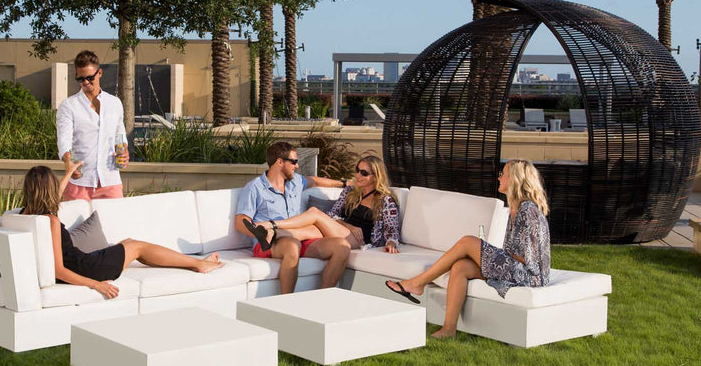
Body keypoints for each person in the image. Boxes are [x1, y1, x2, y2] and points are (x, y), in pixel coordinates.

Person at [385, 159, 551, 338]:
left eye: (503, 174)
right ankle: (449, 329)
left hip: (530, 276)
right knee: (461, 267)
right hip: (516, 268)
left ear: (515, 179)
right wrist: (489, 257)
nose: (499, 178)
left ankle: (417, 283)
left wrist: (488, 256)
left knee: (468, 242)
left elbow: (528, 259)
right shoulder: (515, 209)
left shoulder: (528, 210)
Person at [22, 164, 223, 300]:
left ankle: (195, 263)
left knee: (127, 243)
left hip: (82, 263)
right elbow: (59, 269)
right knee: (137, 246)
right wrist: (96, 285)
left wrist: (69, 173)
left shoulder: (25, 215)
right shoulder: (51, 221)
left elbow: (54, 196)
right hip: (86, 269)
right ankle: (198, 264)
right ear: (48, 188)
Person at [234, 141, 352, 294]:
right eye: (294, 162)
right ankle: (287, 301)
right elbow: (240, 222)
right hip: (270, 244)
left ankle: (323, 297)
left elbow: (315, 181)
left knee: (342, 246)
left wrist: (344, 183)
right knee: (292, 245)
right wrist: (258, 232)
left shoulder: (295, 181)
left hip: (299, 237)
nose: (297, 166)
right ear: (279, 162)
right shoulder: (255, 187)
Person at [245, 155, 401, 253]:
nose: (358, 175)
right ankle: (270, 234)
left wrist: (392, 243)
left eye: (364, 173)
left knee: (314, 212)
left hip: (361, 240)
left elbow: (392, 230)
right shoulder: (350, 192)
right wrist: (348, 225)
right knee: (309, 230)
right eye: (358, 170)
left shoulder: (385, 201)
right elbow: (332, 214)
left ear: (376, 177)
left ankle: (271, 225)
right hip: (343, 231)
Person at [56, 50, 129, 202]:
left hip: (111, 181)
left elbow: (119, 135)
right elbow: (64, 141)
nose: (86, 82)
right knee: (74, 226)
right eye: (80, 78)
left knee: (114, 225)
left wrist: (124, 151)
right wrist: (68, 160)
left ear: (100, 73)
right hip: (80, 183)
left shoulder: (114, 103)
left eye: (90, 77)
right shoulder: (68, 106)